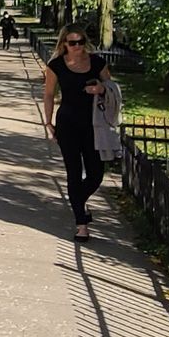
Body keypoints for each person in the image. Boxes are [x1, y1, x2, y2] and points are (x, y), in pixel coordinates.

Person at [41, 24, 112, 241]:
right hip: (67, 124)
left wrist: (100, 89)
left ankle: (78, 202)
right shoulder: (56, 66)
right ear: (64, 44)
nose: (78, 47)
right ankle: (81, 224)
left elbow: (112, 89)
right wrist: (48, 122)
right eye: (73, 43)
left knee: (96, 174)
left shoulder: (97, 62)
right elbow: (49, 94)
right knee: (73, 173)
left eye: (81, 42)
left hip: (94, 125)